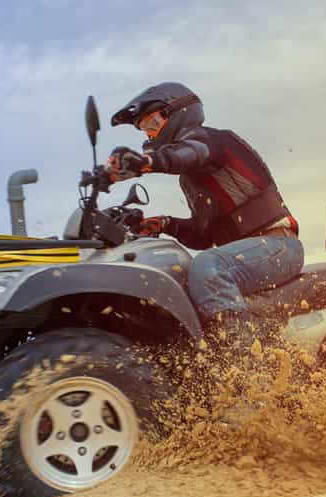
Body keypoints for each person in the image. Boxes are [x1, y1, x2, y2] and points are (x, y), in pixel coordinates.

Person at [99, 82, 304, 341]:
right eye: (144, 129)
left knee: (208, 265)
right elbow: (203, 236)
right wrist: (163, 224)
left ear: (178, 112)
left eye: (152, 124)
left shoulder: (214, 141)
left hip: (277, 245)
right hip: (242, 254)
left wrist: (148, 162)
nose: (150, 135)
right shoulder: (191, 179)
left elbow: (191, 152)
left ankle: (238, 360)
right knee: (178, 274)